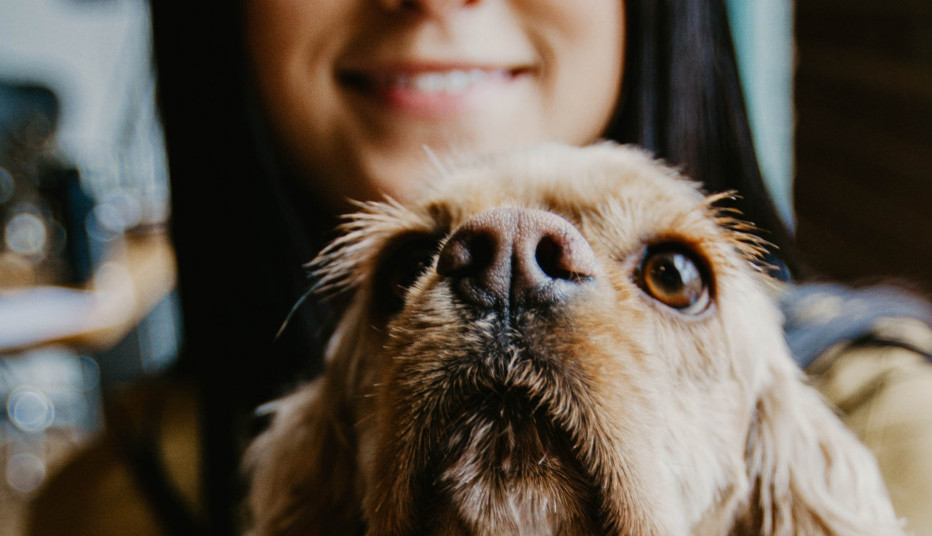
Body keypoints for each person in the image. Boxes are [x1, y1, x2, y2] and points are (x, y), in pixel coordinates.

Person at [26, 0, 932, 535]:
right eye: (406, 272)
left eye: (670, 277)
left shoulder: (900, 426)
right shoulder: (97, 509)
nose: (513, 262)